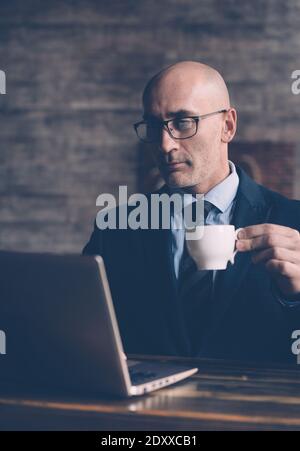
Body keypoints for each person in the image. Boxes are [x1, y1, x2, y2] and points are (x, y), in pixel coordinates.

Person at [83, 61, 300, 364]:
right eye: (154, 125)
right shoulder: (115, 229)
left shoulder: (293, 223)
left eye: (183, 122)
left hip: (256, 407)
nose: (164, 144)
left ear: (228, 126)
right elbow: (83, 331)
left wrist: (295, 297)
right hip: (147, 408)